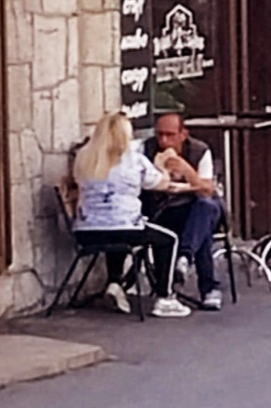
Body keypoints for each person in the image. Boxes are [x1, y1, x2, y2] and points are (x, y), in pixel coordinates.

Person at [73, 111, 187, 316]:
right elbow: (162, 184)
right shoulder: (134, 160)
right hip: (125, 228)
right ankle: (165, 296)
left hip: (87, 231)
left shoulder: (84, 157)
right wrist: (161, 166)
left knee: (114, 228)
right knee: (168, 239)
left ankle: (115, 283)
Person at [145, 111, 226, 312]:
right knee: (201, 231)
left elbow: (207, 190)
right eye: (160, 135)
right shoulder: (145, 150)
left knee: (205, 208)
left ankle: (184, 259)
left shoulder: (200, 151)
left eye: (170, 135)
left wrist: (187, 170)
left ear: (183, 134)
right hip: (164, 210)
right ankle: (208, 288)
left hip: (196, 208)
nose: (164, 141)